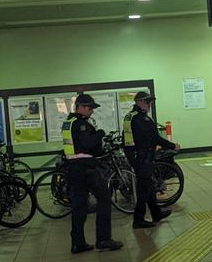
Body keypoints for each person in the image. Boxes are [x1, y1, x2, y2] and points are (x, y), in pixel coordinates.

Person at [62, 94, 123, 253]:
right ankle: (103, 239)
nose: (92, 112)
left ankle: (77, 243)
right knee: (104, 199)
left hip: (72, 168)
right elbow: (88, 144)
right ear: (80, 107)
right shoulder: (81, 124)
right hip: (86, 167)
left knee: (79, 206)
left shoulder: (68, 123)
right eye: (89, 108)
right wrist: (100, 134)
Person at [123, 91, 180, 228]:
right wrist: (173, 145)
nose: (149, 105)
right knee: (143, 190)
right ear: (140, 102)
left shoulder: (130, 116)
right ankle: (138, 220)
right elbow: (154, 138)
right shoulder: (141, 119)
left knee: (148, 187)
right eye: (148, 102)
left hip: (136, 156)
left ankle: (156, 213)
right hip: (143, 157)